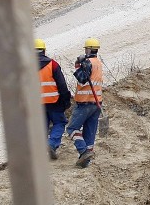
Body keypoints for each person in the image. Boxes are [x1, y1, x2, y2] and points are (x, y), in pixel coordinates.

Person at [66, 37, 104, 168]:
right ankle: (87, 161)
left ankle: (83, 152)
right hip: (97, 103)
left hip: (85, 102)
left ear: (88, 49)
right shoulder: (98, 62)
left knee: (71, 128)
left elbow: (82, 79)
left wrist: (78, 66)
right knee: (90, 132)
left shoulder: (88, 62)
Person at [36, 38, 71, 160]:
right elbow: (61, 84)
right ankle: (51, 144)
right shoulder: (53, 64)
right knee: (59, 123)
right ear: (44, 50)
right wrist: (66, 100)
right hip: (54, 102)